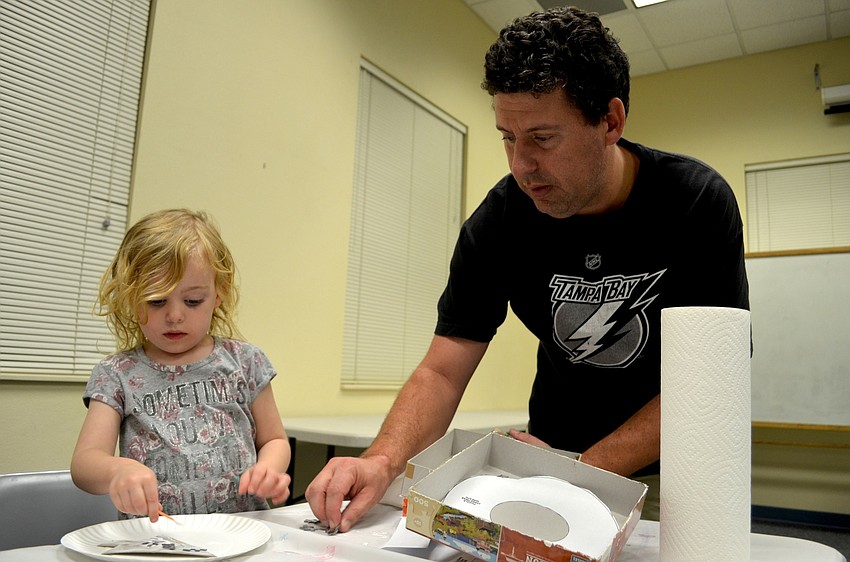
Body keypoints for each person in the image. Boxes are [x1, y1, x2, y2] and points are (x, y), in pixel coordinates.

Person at [306, 6, 748, 530]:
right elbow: (442, 370)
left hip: (677, 472)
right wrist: (382, 459)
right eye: (507, 138)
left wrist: (581, 472)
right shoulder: (499, 223)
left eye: (542, 138)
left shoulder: (694, 202)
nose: (521, 165)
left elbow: (707, 383)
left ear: (610, 121)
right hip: (554, 458)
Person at [71, 209, 291, 521]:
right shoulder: (116, 375)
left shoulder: (245, 362)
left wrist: (269, 468)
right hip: (156, 539)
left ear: (219, 294)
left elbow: (274, 440)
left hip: (241, 533)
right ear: (130, 298)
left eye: (192, 301)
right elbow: (84, 464)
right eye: (156, 301)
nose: (174, 316)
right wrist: (117, 470)